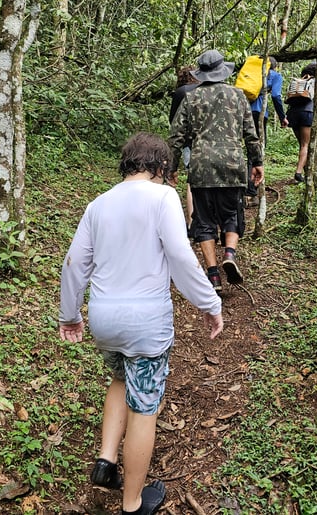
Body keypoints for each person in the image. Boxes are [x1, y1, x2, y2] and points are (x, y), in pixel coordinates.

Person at [58, 132, 224, 515]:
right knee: (145, 407)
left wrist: (70, 314)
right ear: (161, 166)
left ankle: (106, 460)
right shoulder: (163, 197)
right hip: (145, 322)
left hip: (104, 320)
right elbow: (180, 255)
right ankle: (133, 504)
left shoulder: (98, 204)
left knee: (120, 377)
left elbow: (74, 263)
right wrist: (208, 302)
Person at [168, 49, 264, 291]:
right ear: (223, 71)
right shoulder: (238, 95)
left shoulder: (191, 98)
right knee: (232, 214)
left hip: (201, 166)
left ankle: (213, 276)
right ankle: (229, 254)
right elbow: (251, 134)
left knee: (204, 220)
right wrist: (257, 162)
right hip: (232, 164)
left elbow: (176, 136)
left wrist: (172, 167)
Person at [246, 56, 287, 197]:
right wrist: (282, 117)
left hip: (244, 111)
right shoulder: (275, 76)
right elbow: (276, 96)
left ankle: (247, 185)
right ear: (274, 66)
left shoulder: (252, 74)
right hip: (259, 113)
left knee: (249, 148)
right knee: (257, 148)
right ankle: (252, 188)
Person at [169, 68, 199, 232]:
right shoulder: (205, 89)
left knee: (191, 181)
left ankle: (192, 222)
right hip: (209, 142)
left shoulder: (180, 92)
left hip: (189, 141)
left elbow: (174, 120)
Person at [286, 61, 316, 183]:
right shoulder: (315, 81)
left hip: (292, 114)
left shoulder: (300, 81)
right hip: (307, 113)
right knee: (305, 145)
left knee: (302, 144)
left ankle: (305, 172)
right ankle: (298, 173)